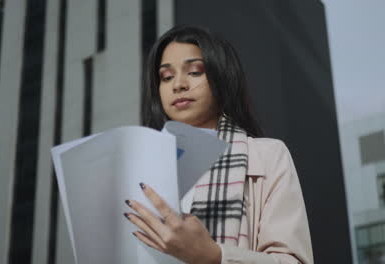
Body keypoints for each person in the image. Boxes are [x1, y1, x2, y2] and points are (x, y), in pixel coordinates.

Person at [123, 24, 313, 264]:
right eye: (166, 76)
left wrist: (214, 256)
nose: (178, 84)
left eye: (194, 72)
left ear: (221, 77)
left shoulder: (268, 155)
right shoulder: (141, 167)